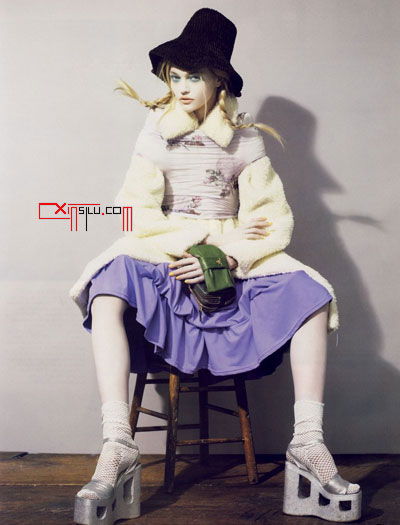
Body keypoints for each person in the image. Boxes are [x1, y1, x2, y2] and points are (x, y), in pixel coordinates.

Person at [70, 8, 362, 524]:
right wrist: (197, 242)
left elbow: (273, 220)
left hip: (232, 253)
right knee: (108, 285)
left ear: (219, 79)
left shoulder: (247, 140)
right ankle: (117, 443)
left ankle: (308, 443)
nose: (181, 88)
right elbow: (134, 212)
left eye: (194, 77)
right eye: (175, 76)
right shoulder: (154, 133)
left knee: (312, 294)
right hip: (166, 248)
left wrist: (227, 255)